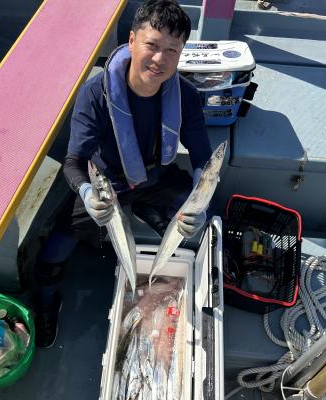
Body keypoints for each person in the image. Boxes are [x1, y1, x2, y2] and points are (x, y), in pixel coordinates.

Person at [33, 0, 213, 347]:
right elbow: (74, 162)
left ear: (181, 53)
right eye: (152, 45)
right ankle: (45, 303)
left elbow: (203, 159)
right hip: (107, 185)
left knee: (203, 226)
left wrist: (200, 202)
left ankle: (146, 209)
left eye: (172, 50)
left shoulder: (186, 96)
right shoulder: (95, 95)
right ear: (131, 40)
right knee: (53, 253)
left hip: (156, 177)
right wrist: (87, 193)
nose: (160, 59)